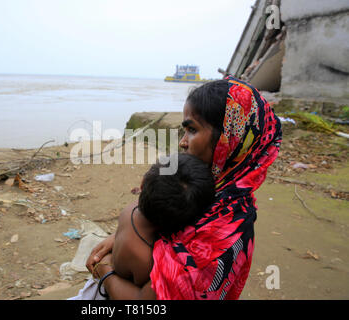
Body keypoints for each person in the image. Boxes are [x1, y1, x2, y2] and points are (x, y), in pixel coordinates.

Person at [86, 76, 282, 300]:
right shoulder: (220, 193)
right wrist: (124, 234)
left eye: (192, 130)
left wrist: (105, 271)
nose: (182, 142)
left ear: (228, 138)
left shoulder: (220, 230)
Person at [70, 154, 215, 300]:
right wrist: (104, 269)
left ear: (142, 183)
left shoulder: (130, 210)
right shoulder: (148, 260)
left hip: (98, 288)